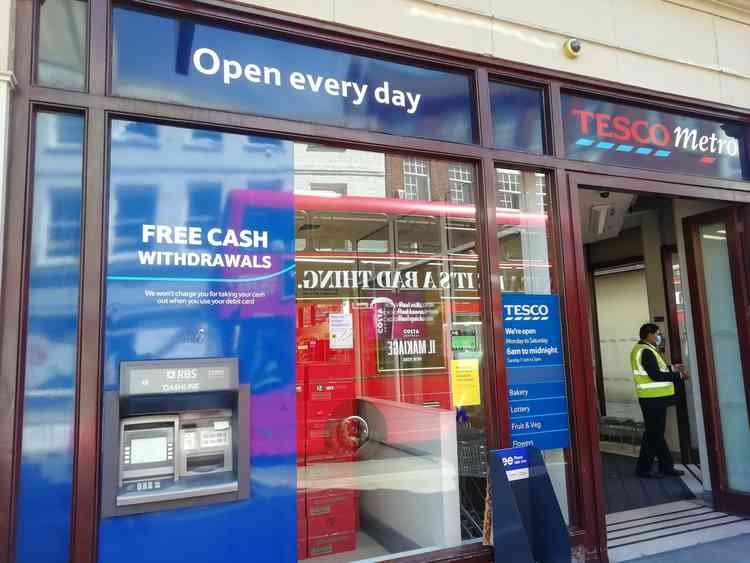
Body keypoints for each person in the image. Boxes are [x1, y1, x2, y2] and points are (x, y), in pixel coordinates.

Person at [630, 323, 689, 478]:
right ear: (649, 334)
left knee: (656, 433)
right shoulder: (646, 351)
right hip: (653, 399)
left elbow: (658, 369)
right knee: (653, 435)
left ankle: (666, 466)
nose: (659, 336)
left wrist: (673, 368)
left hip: (653, 399)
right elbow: (655, 375)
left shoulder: (645, 349)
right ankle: (643, 469)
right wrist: (679, 376)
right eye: (657, 333)